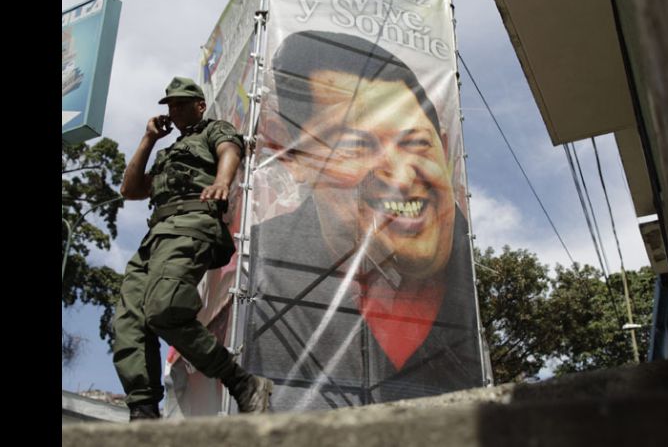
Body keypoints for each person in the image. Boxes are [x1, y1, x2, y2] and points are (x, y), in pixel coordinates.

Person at [242, 31, 484, 411]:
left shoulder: (468, 283)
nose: (402, 177)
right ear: (293, 157)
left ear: (444, 147)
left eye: (416, 143)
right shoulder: (256, 273)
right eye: (357, 145)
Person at [113, 76, 273, 421]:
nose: (175, 109)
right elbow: (130, 189)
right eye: (170, 104)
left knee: (164, 309)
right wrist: (149, 138)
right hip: (155, 237)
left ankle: (241, 382)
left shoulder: (213, 130)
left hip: (190, 224)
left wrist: (221, 181)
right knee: (130, 320)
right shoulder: (168, 151)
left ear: (200, 105)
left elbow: (230, 150)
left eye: (182, 103)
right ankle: (143, 410)